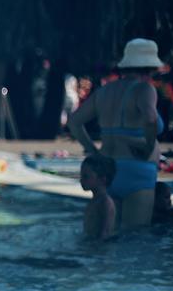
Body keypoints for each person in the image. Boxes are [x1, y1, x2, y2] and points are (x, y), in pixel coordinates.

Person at [68, 38, 163, 230]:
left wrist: (92, 150)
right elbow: (151, 118)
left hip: (108, 170)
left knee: (111, 235)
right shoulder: (145, 89)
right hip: (137, 171)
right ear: (151, 67)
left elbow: (74, 121)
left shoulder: (104, 91)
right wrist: (148, 146)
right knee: (135, 238)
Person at [79, 154, 116, 240]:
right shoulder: (94, 201)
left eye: (85, 176)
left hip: (99, 248)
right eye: (81, 175)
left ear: (102, 179)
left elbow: (106, 231)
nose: (81, 180)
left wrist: (96, 250)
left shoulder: (105, 202)